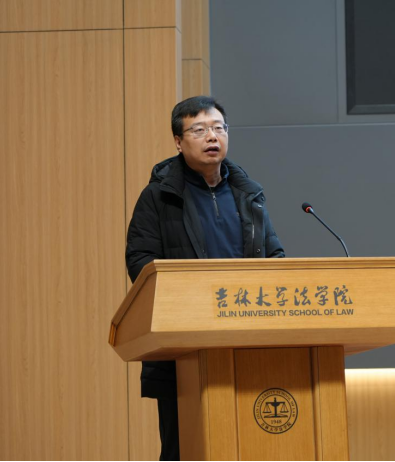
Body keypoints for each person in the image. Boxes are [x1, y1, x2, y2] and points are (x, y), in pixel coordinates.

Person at [125, 95, 286, 461]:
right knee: (184, 448)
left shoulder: (249, 194)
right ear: (178, 142)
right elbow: (140, 261)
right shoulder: (159, 197)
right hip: (184, 348)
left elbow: (275, 256)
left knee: (249, 446)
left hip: (248, 341)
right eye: (199, 130)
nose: (212, 136)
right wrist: (189, 299)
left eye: (218, 128)